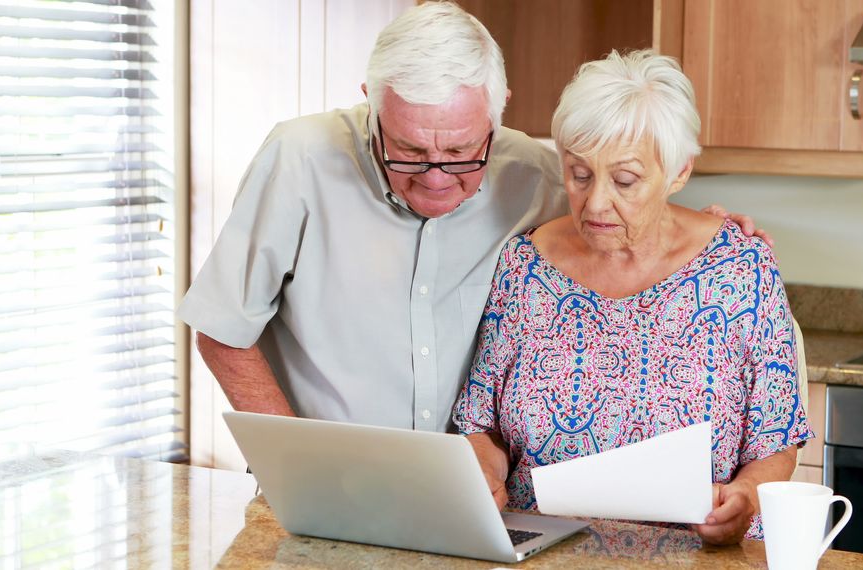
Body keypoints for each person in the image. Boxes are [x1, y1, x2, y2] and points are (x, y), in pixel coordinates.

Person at [178, 2, 768, 434]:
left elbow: (625, 221)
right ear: (371, 100)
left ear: (498, 107)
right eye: (408, 151)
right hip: (326, 485)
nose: (436, 175)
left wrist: (709, 230)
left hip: (472, 495)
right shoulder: (300, 159)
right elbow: (223, 330)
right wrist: (296, 463)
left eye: (461, 152)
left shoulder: (537, 176)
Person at [453, 49, 811, 545]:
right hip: (543, 550)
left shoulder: (742, 268)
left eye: (625, 180)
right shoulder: (522, 266)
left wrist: (745, 496)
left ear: (680, 172)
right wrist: (485, 477)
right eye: (579, 175)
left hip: (695, 551)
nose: (596, 202)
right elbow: (482, 424)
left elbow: (777, 442)